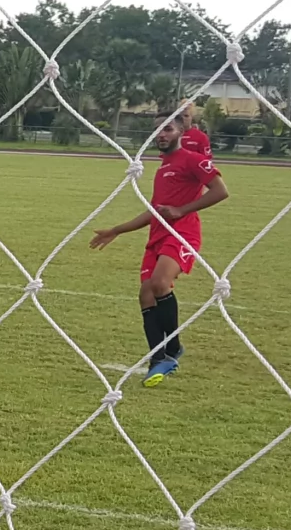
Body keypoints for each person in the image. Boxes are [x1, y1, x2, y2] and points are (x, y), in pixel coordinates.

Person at [89, 114, 228, 388]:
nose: (161, 134)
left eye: (167, 128)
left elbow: (220, 191)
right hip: (157, 236)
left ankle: (172, 349)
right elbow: (153, 211)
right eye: (157, 130)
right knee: (145, 294)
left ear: (180, 131)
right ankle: (157, 358)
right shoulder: (163, 168)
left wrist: (181, 210)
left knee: (160, 283)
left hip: (183, 233)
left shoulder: (192, 159)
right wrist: (116, 229)